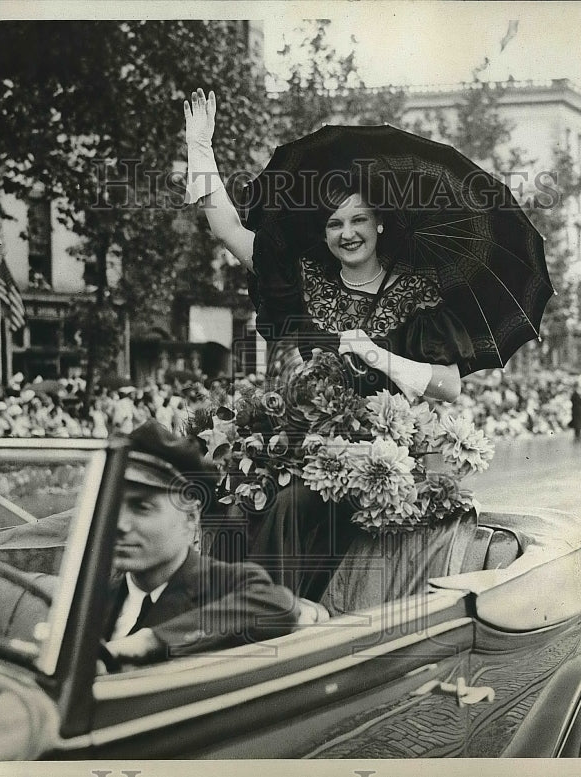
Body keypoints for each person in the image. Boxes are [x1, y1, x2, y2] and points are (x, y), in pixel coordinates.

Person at [183, 89, 475, 600]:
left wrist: (376, 354)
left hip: (383, 454)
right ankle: (210, 612)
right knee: (227, 494)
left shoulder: (415, 290)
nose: (348, 232)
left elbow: (448, 386)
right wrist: (200, 151)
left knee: (295, 504)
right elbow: (229, 228)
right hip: (305, 440)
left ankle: (265, 613)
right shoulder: (306, 279)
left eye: (358, 219)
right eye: (335, 223)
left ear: (379, 223)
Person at [101, 421, 300, 665]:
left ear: (190, 517)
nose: (120, 524)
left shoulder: (223, 585)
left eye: (142, 507)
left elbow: (278, 605)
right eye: (112, 505)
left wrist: (152, 640)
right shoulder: (100, 595)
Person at [568, 376, 581, 440]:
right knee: (578, 422)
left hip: (575, 410)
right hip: (577, 410)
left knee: (577, 422)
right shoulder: (575, 394)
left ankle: (578, 434)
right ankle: (578, 434)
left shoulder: (575, 394)